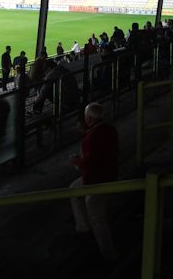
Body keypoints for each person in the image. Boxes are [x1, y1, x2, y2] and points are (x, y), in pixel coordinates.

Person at [69, 102, 119, 260]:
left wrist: (76, 161)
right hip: (109, 173)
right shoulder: (109, 129)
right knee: (74, 190)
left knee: (97, 217)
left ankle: (109, 254)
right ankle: (83, 228)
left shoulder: (91, 138)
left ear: (89, 118)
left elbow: (89, 163)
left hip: (96, 178)